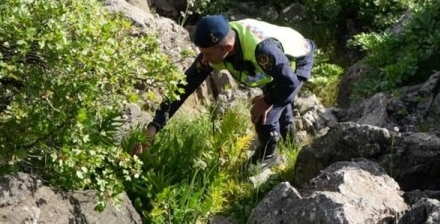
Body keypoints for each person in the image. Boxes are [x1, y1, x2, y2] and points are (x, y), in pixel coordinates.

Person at [133, 15, 315, 165]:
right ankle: (292, 147)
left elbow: (288, 83)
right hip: (271, 70)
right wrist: (154, 126)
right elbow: (184, 87)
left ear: (227, 48)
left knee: (265, 116)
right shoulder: (218, 47)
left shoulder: (263, 51)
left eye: (208, 54)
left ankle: (268, 157)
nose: (204, 59)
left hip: (297, 58)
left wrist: (266, 101)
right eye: (202, 52)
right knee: (279, 104)